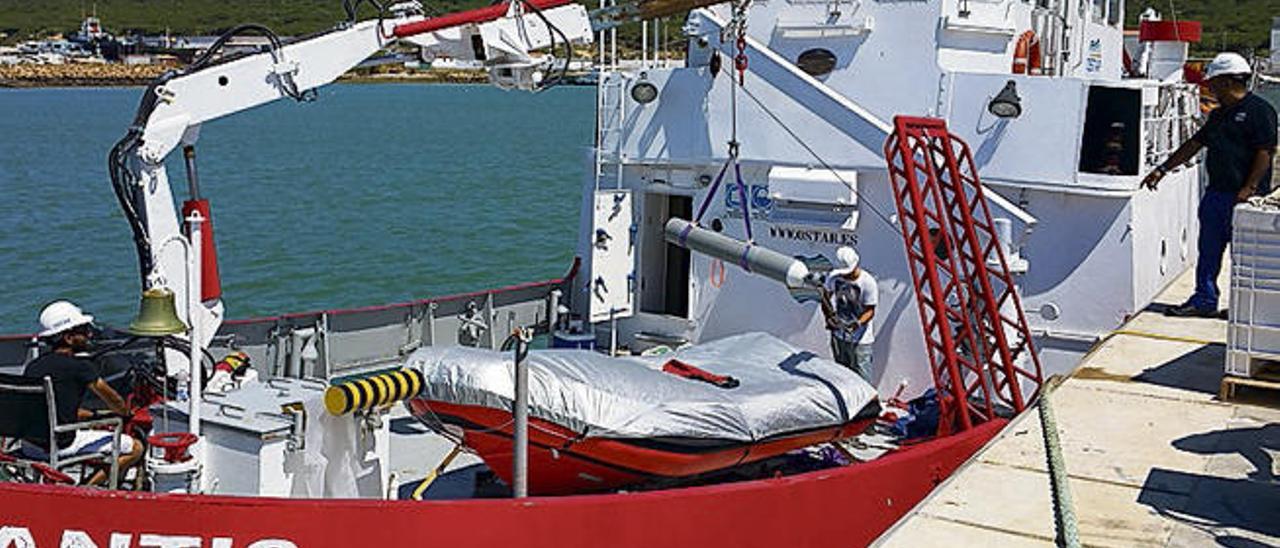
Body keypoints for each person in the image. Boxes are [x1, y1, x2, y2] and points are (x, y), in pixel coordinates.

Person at [1142, 52, 1277, 317]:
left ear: (1227, 81)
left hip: (1246, 199)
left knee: (1245, 258)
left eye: (1212, 82)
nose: (1209, 88)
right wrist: (1163, 169)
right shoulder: (1218, 116)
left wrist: (1249, 188)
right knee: (1208, 251)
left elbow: (1266, 151)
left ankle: (1244, 307)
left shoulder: (1260, 111)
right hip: (1216, 195)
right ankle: (1204, 300)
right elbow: (1194, 144)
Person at [22, 301, 142, 486]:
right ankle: (85, 488)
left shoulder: (34, 366)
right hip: (60, 445)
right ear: (69, 338)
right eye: (83, 331)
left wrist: (94, 415)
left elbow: (55, 409)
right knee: (135, 448)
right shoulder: (80, 367)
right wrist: (124, 413)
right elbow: (113, 399)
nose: (89, 334)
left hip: (31, 446)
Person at [819, 246, 878, 381]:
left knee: (863, 380)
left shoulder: (867, 282)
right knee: (842, 377)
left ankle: (867, 403)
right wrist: (829, 317)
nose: (843, 275)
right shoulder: (834, 277)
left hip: (860, 341)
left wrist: (857, 324)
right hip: (839, 337)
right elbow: (824, 297)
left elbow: (870, 311)